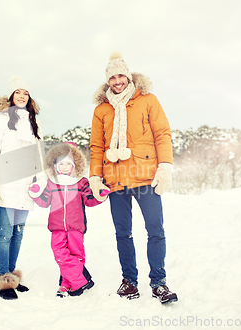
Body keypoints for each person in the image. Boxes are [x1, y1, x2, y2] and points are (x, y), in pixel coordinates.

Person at [88, 51, 178, 304]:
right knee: (123, 233)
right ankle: (129, 281)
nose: (117, 81)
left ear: (128, 76)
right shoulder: (101, 110)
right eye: (112, 77)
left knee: (155, 230)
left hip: (145, 177)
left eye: (121, 76)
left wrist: (165, 166)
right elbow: (96, 147)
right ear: (107, 81)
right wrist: (95, 177)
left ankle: (159, 283)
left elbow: (162, 134)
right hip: (115, 179)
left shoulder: (148, 100)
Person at [0, 76, 43, 300]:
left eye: (25, 93)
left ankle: (12, 275)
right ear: (11, 96)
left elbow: (38, 154)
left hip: (26, 185)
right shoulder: (0, 119)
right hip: (6, 183)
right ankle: (3, 280)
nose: (21, 96)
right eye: (17, 92)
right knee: (5, 233)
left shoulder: (33, 120)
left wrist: (39, 180)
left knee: (18, 234)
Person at [28, 142, 106, 297]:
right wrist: (35, 192)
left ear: (74, 165)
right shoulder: (52, 182)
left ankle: (66, 285)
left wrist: (100, 195)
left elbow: (89, 200)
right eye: (61, 163)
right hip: (57, 227)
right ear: (55, 165)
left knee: (76, 255)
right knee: (60, 255)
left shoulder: (81, 182)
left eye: (68, 164)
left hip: (76, 227)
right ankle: (82, 281)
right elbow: (44, 201)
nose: (64, 167)